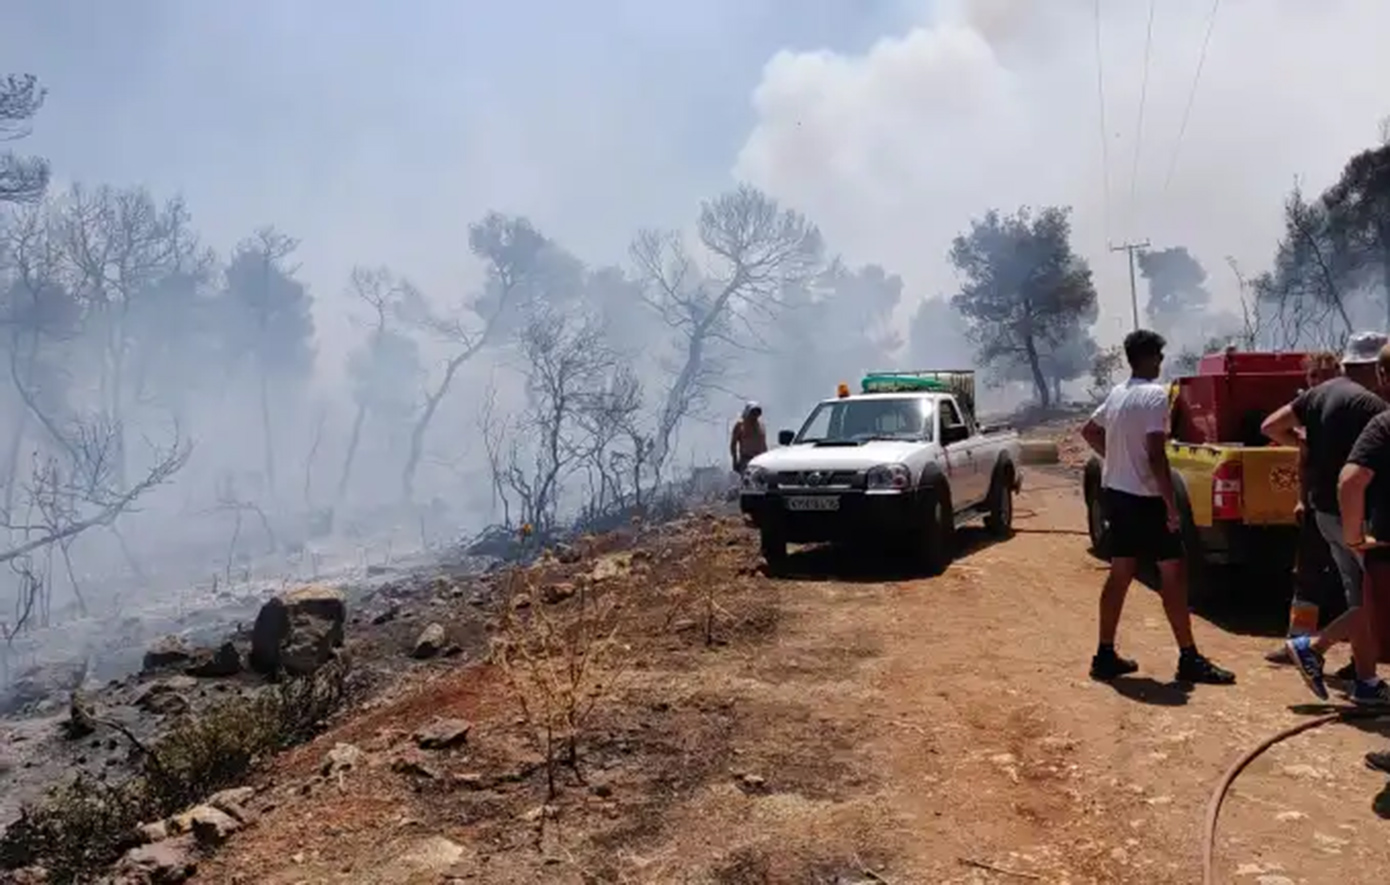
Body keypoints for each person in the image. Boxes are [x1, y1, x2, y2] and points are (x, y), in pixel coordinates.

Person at [1081, 328, 1235, 685]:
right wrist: (1170, 504)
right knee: (1173, 574)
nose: (1161, 362)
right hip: (1145, 499)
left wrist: (1114, 460)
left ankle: (1104, 654)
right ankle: (1189, 657)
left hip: (1118, 495)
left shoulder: (1118, 393)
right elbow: (1156, 454)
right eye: (1159, 356)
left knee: (1120, 573)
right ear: (1150, 358)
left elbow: (1089, 431)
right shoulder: (1155, 395)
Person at [1263, 332, 1390, 704]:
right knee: (1373, 600)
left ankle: (1365, 680)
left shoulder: (1319, 394)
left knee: (1360, 596)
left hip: (1325, 510)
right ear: (1374, 368)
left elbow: (1270, 427)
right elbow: (1355, 478)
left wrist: (1306, 444)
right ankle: (1316, 648)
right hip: (1357, 515)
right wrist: (1357, 532)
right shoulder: (1372, 407)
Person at [1265, 352, 1343, 666]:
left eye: (1325, 374)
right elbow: (1302, 461)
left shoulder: (1349, 408)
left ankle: (1360, 654)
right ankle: (1297, 644)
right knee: (1308, 575)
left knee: (1352, 579)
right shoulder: (1309, 411)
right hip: (1316, 503)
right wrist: (1300, 497)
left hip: (1347, 505)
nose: (1318, 381)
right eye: (1313, 375)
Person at [730, 401, 767, 475]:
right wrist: (735, 460)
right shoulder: (740, 425)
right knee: (748, 479)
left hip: (760, 460)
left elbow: (763, 443)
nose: (755, 415)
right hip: (746, 460)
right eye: (753, 412)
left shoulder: (760, 426)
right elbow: (733, 444)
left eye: (757, 413)